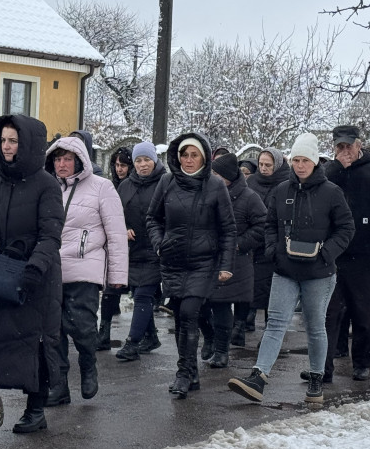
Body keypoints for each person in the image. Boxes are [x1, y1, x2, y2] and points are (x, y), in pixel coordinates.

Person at [228, 133, 354, 403]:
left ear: (314, 161)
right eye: (295, 159)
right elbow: (269, 224)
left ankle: (316, 379)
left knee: (315, 326)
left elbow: (346, 228)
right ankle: (258, 377)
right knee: (275, 323)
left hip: (319, 273)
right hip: (285, 269)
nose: (299, 165)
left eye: (305, 160)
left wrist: (326, 253)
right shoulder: (281, 190)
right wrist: (274, 251)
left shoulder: (331, 192)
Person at [0, 114, 64, 433]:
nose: (7, 146)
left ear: (27, 144)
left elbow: (51, 234)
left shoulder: (47, 185)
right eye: (2, 140)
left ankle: (36, 408)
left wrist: (34, 268)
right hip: (1, 272)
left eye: (13, 140)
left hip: (36, 279)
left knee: (34, 343)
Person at [146, 133, 237, 398]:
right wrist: (159, 243)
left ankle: (183, 373)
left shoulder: (215, 186)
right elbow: (152, 218)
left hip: (203, 262)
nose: (188, 160)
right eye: (184, 155)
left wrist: (226, 264)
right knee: (181, 314)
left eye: (193, 155)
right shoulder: (167, 182)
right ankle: (191, 372)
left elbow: (228, 229)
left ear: (204, 158)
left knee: (188, 311)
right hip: (173, 260)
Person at [43, 135, 128, 406]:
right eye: (57, 159)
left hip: (84, 268)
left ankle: (88, 366)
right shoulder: (47, 188)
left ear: (79, 160)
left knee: (82, 327)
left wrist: (117, 276)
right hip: (52, 270)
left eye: (67, 158)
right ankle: (59, 386)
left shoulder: (101, 187)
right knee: (52, 332)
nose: (62, 164)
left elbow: (116, 234)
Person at [323, 125, 370, 381]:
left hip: (365, 252)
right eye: (339, 147)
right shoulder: (329, 171)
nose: (344, 151)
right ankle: (323, 365)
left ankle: (363, 362)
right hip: (334, 252)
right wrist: (337, 169)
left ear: (359, 145)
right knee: (330, 311)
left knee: (363, 310)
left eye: (348, 146)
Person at [203, 152, 266, 369]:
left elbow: (262, 226)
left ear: (228, 176)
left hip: (235, 261)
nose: (212, 176)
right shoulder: (207, 192)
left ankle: (222, 351)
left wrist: (239, 244)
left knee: (221, 307)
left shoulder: (249, 198)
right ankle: (210, 340)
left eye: (216, 173)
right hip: (208, 258)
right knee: (201, 305)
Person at [114, 141, 166, 361]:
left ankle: (132, 343)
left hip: (156, 249)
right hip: (133, 250)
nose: (143, 165)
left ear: (154, 160)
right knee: (139, 294)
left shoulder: (166, 182)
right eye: (138, 161)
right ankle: (151, 336)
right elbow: (115, 214)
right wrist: (123, 228)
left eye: (146, 160)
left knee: (144, 294)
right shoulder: (126, 186)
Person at [245, 146, 291, 337]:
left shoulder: (286, 183)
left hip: (275, 242)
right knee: (251, 285)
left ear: (277, 165)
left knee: (272, 290)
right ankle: (245, 321)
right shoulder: (252, 182)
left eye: (268, 165)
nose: (263, 168)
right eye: (261, 164)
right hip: (253, 242)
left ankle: (271, 331)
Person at [97, 145, 134, 352]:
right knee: (111, 290)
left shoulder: (133, 186)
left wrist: (128, 227)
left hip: (133, 244)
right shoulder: (110, 186)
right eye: (117, 165)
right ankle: (104, 332)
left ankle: (147, 333)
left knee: (140, 292)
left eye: (124, 165)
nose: (120, 169)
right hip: (114, 244)